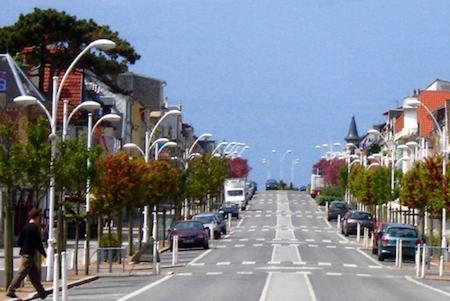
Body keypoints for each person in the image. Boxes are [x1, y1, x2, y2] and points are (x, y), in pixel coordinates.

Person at [6, 208, 49, 300]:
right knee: (21, 273)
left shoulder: (25, 227)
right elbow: (38, 243)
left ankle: (42, 292)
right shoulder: (34, 228)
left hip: (25, 253)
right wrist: (44, 253)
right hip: (29, 254)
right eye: (39, 218)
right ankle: (11, 289)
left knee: (34, 275)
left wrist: (25, 245)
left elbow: (19, 241)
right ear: (37, 217)